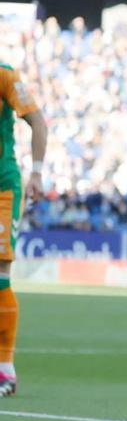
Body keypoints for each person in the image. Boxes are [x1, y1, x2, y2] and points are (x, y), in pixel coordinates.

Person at [0, 63, 48, 397]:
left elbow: (38, 121)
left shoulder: (5, 75)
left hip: (2, 187)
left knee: (1, 269)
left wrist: (37, 173)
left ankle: (5, 370)